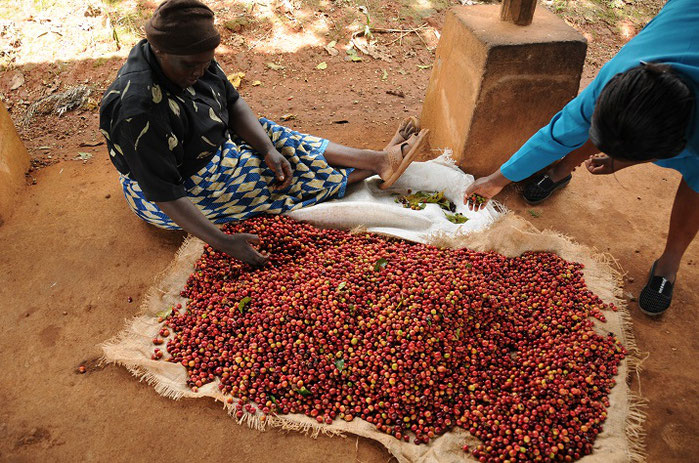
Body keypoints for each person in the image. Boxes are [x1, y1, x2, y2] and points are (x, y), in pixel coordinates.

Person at [99, 0, 427, 268]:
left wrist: (267, 147)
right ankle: (361, 173)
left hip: (210, 146)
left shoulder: (192, 55)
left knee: (272, 140)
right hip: (173, 191)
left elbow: (232, 100)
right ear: (159, 52)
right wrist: (222, 242)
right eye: (191, 67)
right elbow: (165, 192)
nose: (200, 72)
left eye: (205, 64)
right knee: (269, 178)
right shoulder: (138, 109)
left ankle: (378, 161)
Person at [464, 0, 698, 316]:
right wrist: (498, 179)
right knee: (610, 127)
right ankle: (562, 170)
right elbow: (558, 134)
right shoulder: (621, 78)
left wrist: (624, 161)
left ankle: (669, 261)